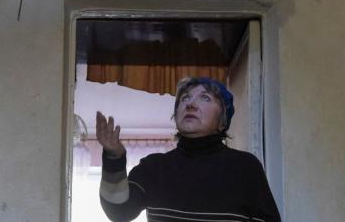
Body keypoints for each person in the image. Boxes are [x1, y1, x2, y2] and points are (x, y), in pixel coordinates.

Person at [95, 76, 281, 222]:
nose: (190, 104)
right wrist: (114, 158)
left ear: (222, 121)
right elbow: (118, 211)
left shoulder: (245, 167)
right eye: (185, 98)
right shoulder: (155, 167)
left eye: (205, 98)